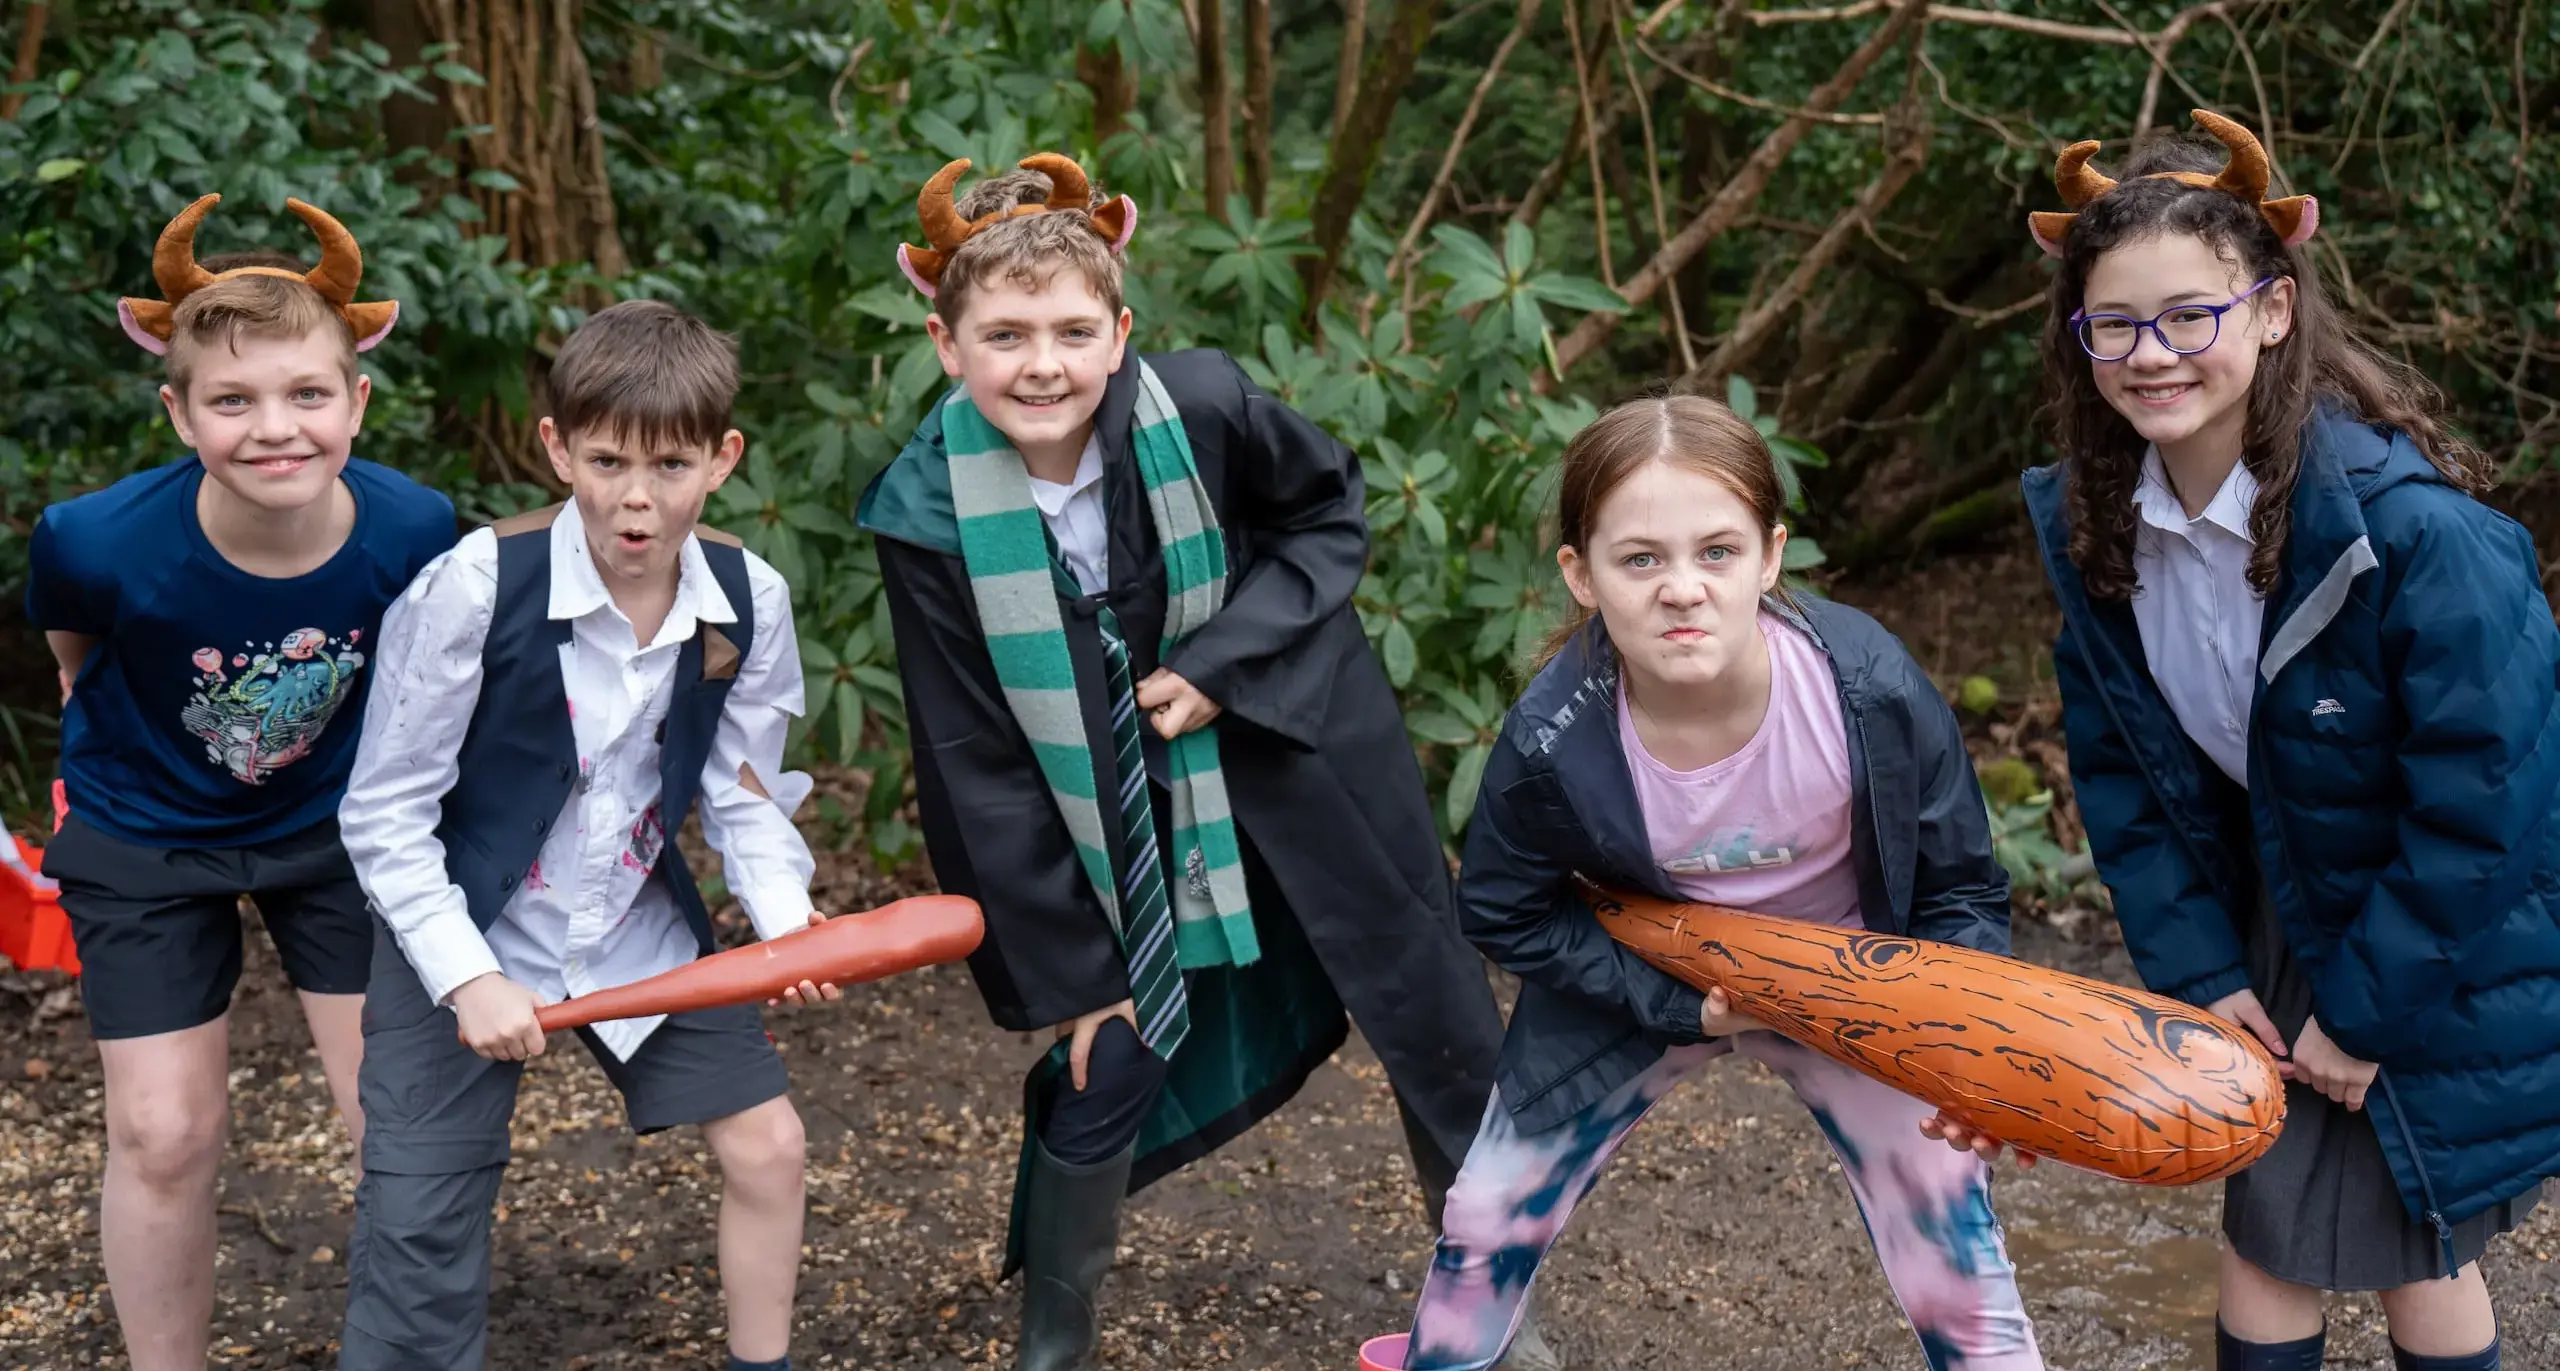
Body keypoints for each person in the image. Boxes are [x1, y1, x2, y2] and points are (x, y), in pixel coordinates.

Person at [856, 154, 1532, 1370]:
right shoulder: (924, 512)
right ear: (946, 343)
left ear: (1120, 333)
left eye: (1071, 330)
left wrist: (1222, 658)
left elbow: (1326, 520)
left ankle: (1484, 1316)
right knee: (1107, 1048)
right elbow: (972, 757)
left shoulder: (1207, 406)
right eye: (1003, 334)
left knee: (1433, 1023)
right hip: (1107, 819)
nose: (1042, 364)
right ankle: (1054, 1337)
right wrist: (1068, 974)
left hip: (1299, 752)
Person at [2015, 110, 2557, 1371]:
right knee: (2380, 1231)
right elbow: (2125, 786)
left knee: (2342, 1230)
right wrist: (2203, 971)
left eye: (2190, 315)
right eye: (2115, 324)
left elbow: (2488, 801)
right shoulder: (2100, 532)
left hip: (2428, 932)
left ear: (2268, 310)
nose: (2153, 353)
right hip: (2280, 915)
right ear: (2079, 337)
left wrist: (2364, 1016)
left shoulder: (2421, 538)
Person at [1391, 395, 2046, 1371]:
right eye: (1640, 558)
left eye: (1717, 552)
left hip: (1856, 982)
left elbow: (1957, 885)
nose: (1682, 589)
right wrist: (1672, 1005)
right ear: (1580, 575)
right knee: (1483, 1215)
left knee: (1952, 1246)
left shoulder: (1867, 693)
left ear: (1771, 556)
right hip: (1657, 975)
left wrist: (1965, 1051)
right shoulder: (1550, 743)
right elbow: (1500, 908)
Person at [333, 300, 834, 1371]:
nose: (637, 499)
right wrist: (468, 978)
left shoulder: (750, 597)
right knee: (421, 1211)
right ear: (557, 447)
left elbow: (742, 785)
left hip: (634, 922)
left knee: (770, 1147)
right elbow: (384, 810)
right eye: (607, 461)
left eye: (671, 464)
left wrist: (787, 930)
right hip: (462, 927)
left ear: (723, 460)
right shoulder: (476, 585)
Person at [27, 194, 457, 1371]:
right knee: (165, 1132)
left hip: (336, 826)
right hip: (146, 830)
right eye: (233, 400)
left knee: (400, 1121)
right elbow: (77, 662)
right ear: (179, 413)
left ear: (356, 400)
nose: (277, 429)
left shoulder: (419, 530)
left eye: (307, 394)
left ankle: (408, 1348)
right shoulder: (93, 540)